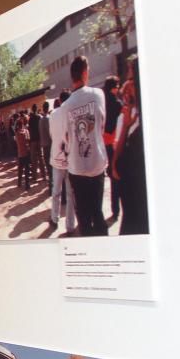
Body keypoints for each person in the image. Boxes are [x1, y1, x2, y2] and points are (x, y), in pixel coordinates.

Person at [61, 55, 108, 236]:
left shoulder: (65, 106)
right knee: (97, 211)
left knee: (84, 219)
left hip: (76, 168)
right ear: (85, 73)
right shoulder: (98, 94)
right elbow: (101, 126)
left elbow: (66, 137)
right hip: (96, 164)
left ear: (72, 77)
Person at [111, 58, 149, 235]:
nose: (127, 87)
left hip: (136, 223)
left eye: (131, 81)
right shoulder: (130, 119)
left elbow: (116, 168)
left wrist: (126, 127)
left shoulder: (138, 131)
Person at [48, 90, 76, 234]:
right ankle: (70, 226)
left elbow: (52, 135)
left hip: (56, 159)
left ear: (59, 99)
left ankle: (54, 218)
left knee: (56, 192)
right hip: (70, 161)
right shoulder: (73, 113)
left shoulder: (52, 114)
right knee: (71, 195)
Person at [102, 75, 123, 221]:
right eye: (117, 86)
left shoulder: (101, 102)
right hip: (114, 144)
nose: (118, 89)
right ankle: (116, 210)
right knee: (116, 177)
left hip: (102, 143)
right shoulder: (117, 104)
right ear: (113, 88)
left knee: (109, 174)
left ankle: (114, 209)